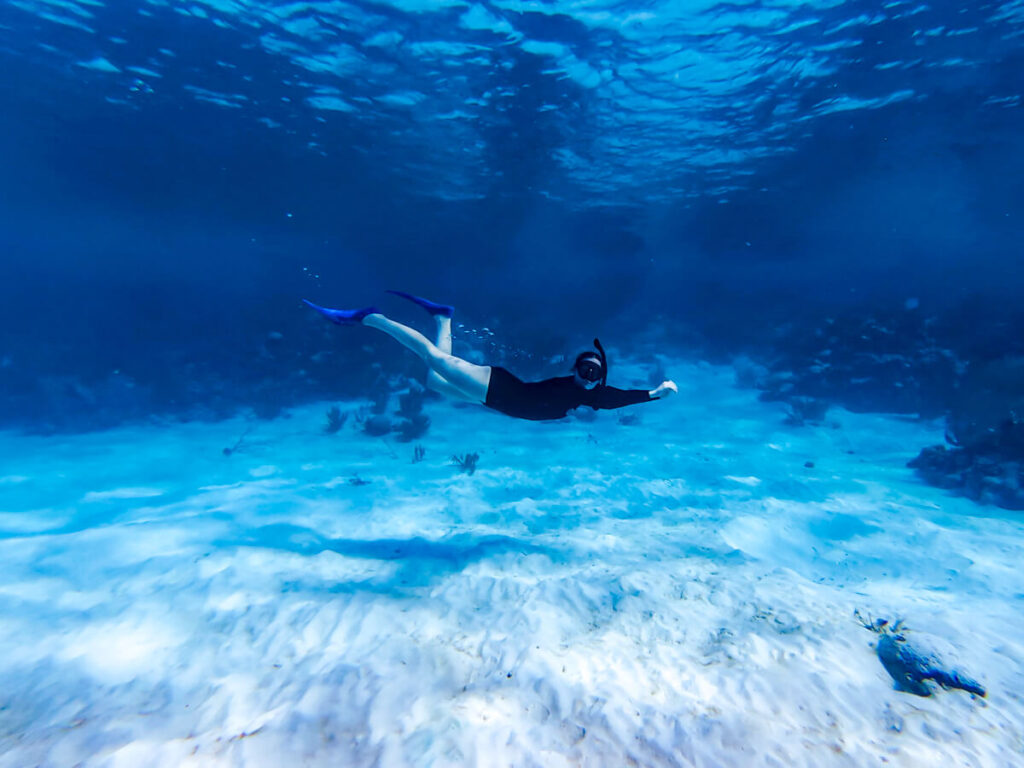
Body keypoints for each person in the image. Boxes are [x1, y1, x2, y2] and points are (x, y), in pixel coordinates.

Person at [303, 291, 677, 421]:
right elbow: (619, 396)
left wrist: (655, 394)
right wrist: (654, 393)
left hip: (494, 402)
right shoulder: (582, 390)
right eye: (584, 368)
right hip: (498, 387)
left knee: (434, 380)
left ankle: (442, 317)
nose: (589, 377)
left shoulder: (598, 397)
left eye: (594, 373)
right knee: (433, 360)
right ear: (575, 368)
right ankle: (371, 318)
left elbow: (622, 398)